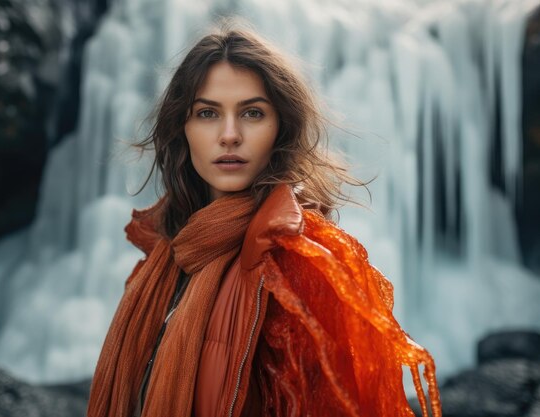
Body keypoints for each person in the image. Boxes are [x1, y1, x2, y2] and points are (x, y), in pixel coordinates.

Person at [87, 21, 442, 417]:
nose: (229, 135)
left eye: (252, 113)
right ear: (181, 127)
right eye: (207, 113)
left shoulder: (299, 261)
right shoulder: (165, 257)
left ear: (281, 127)